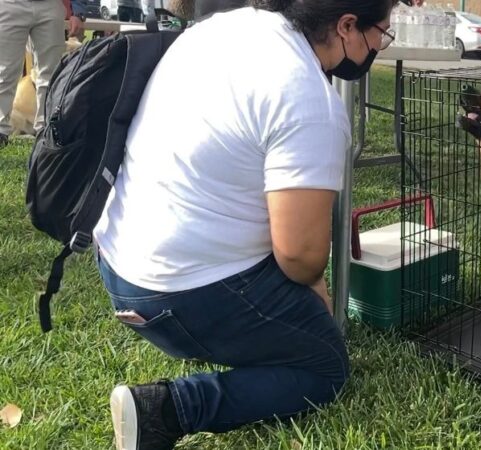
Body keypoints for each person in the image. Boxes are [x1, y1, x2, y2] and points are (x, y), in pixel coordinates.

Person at [94, 0, 397, 448]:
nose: (380, 48)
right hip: (176, 292)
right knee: (324, 366)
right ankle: (166, 408)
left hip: (115, 260)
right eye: (380, 35)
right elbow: (299, 257)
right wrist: (314, 306)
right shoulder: (312, 100)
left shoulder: (224, 28)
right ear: (347, 26)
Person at [0, 0, 86, 148]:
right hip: (10, 4)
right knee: (5, 73)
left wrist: (77, 12)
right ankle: (1, 131)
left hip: (50, 5)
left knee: (50, 76)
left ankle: (45, 132)